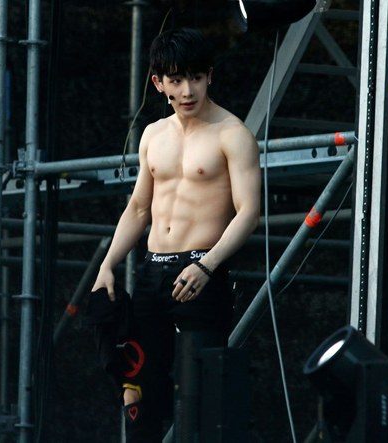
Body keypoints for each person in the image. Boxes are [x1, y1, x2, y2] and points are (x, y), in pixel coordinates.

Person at [91, 27, 260, 442]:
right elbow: (139, 207)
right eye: (177, 80)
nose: (188, 90)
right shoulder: (153, 134)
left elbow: (249, 212)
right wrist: (108, 264)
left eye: (196, 78)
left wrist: (207, 265)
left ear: (210, 76)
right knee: (136, 386)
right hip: (153, 272)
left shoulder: (232, 133)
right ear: (158, 82)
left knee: (200, 397)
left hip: (201, 272)